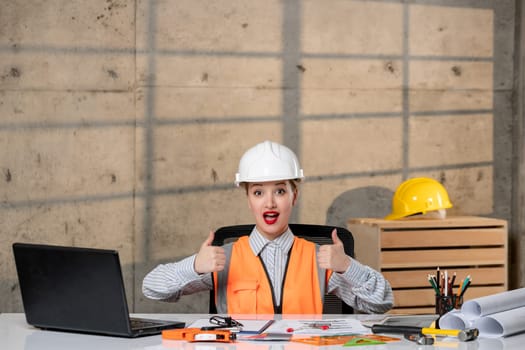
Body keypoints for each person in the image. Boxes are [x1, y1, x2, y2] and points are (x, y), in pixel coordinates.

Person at [143, 140, 393, 314]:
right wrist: (195, 266)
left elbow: (381, 302)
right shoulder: (223, 258)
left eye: (280, 191)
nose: (270, 202)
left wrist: (348, 266)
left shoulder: (320, 259)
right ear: (249, 199)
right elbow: (152, 288)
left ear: (294, 197)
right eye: (259, 192)